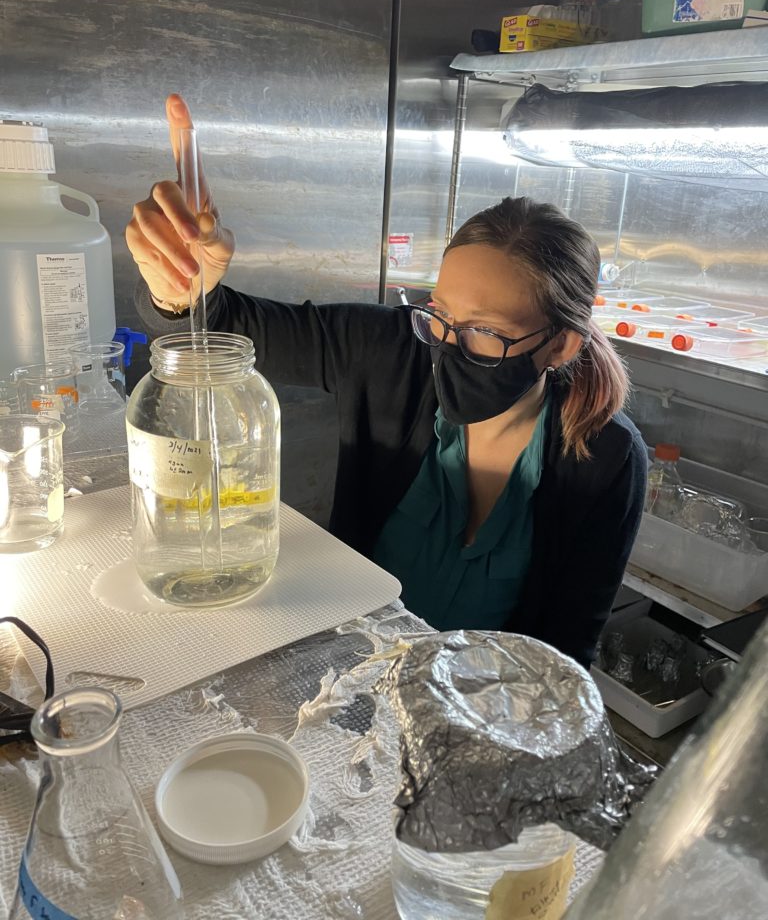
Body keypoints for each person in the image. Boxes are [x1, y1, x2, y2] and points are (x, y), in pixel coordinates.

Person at [126, 94, 647, 669]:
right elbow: (233, 327)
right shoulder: (395, 348)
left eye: (483, 332)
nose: (446, 346)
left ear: (560, 345)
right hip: (345, 670)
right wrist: (180, 292)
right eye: (439, 314)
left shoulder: (605, 457)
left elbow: (567, 647)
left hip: (478, 710)